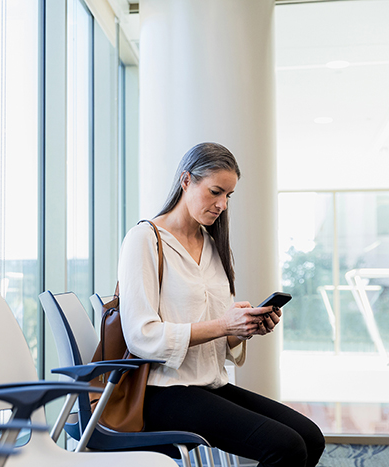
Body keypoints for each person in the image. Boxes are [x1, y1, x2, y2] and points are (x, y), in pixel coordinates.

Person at [118, 142, 324, 467]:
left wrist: (244, 329)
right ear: (186, 180)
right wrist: (224, 325)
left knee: (311, 438)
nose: (222, 205)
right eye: (215, 192)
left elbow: (220, 337)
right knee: (286, 447)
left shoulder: (213, 247)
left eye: (228, 196)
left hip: (210, 383)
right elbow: (142, 337)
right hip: (164, 390)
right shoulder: (144, 240)